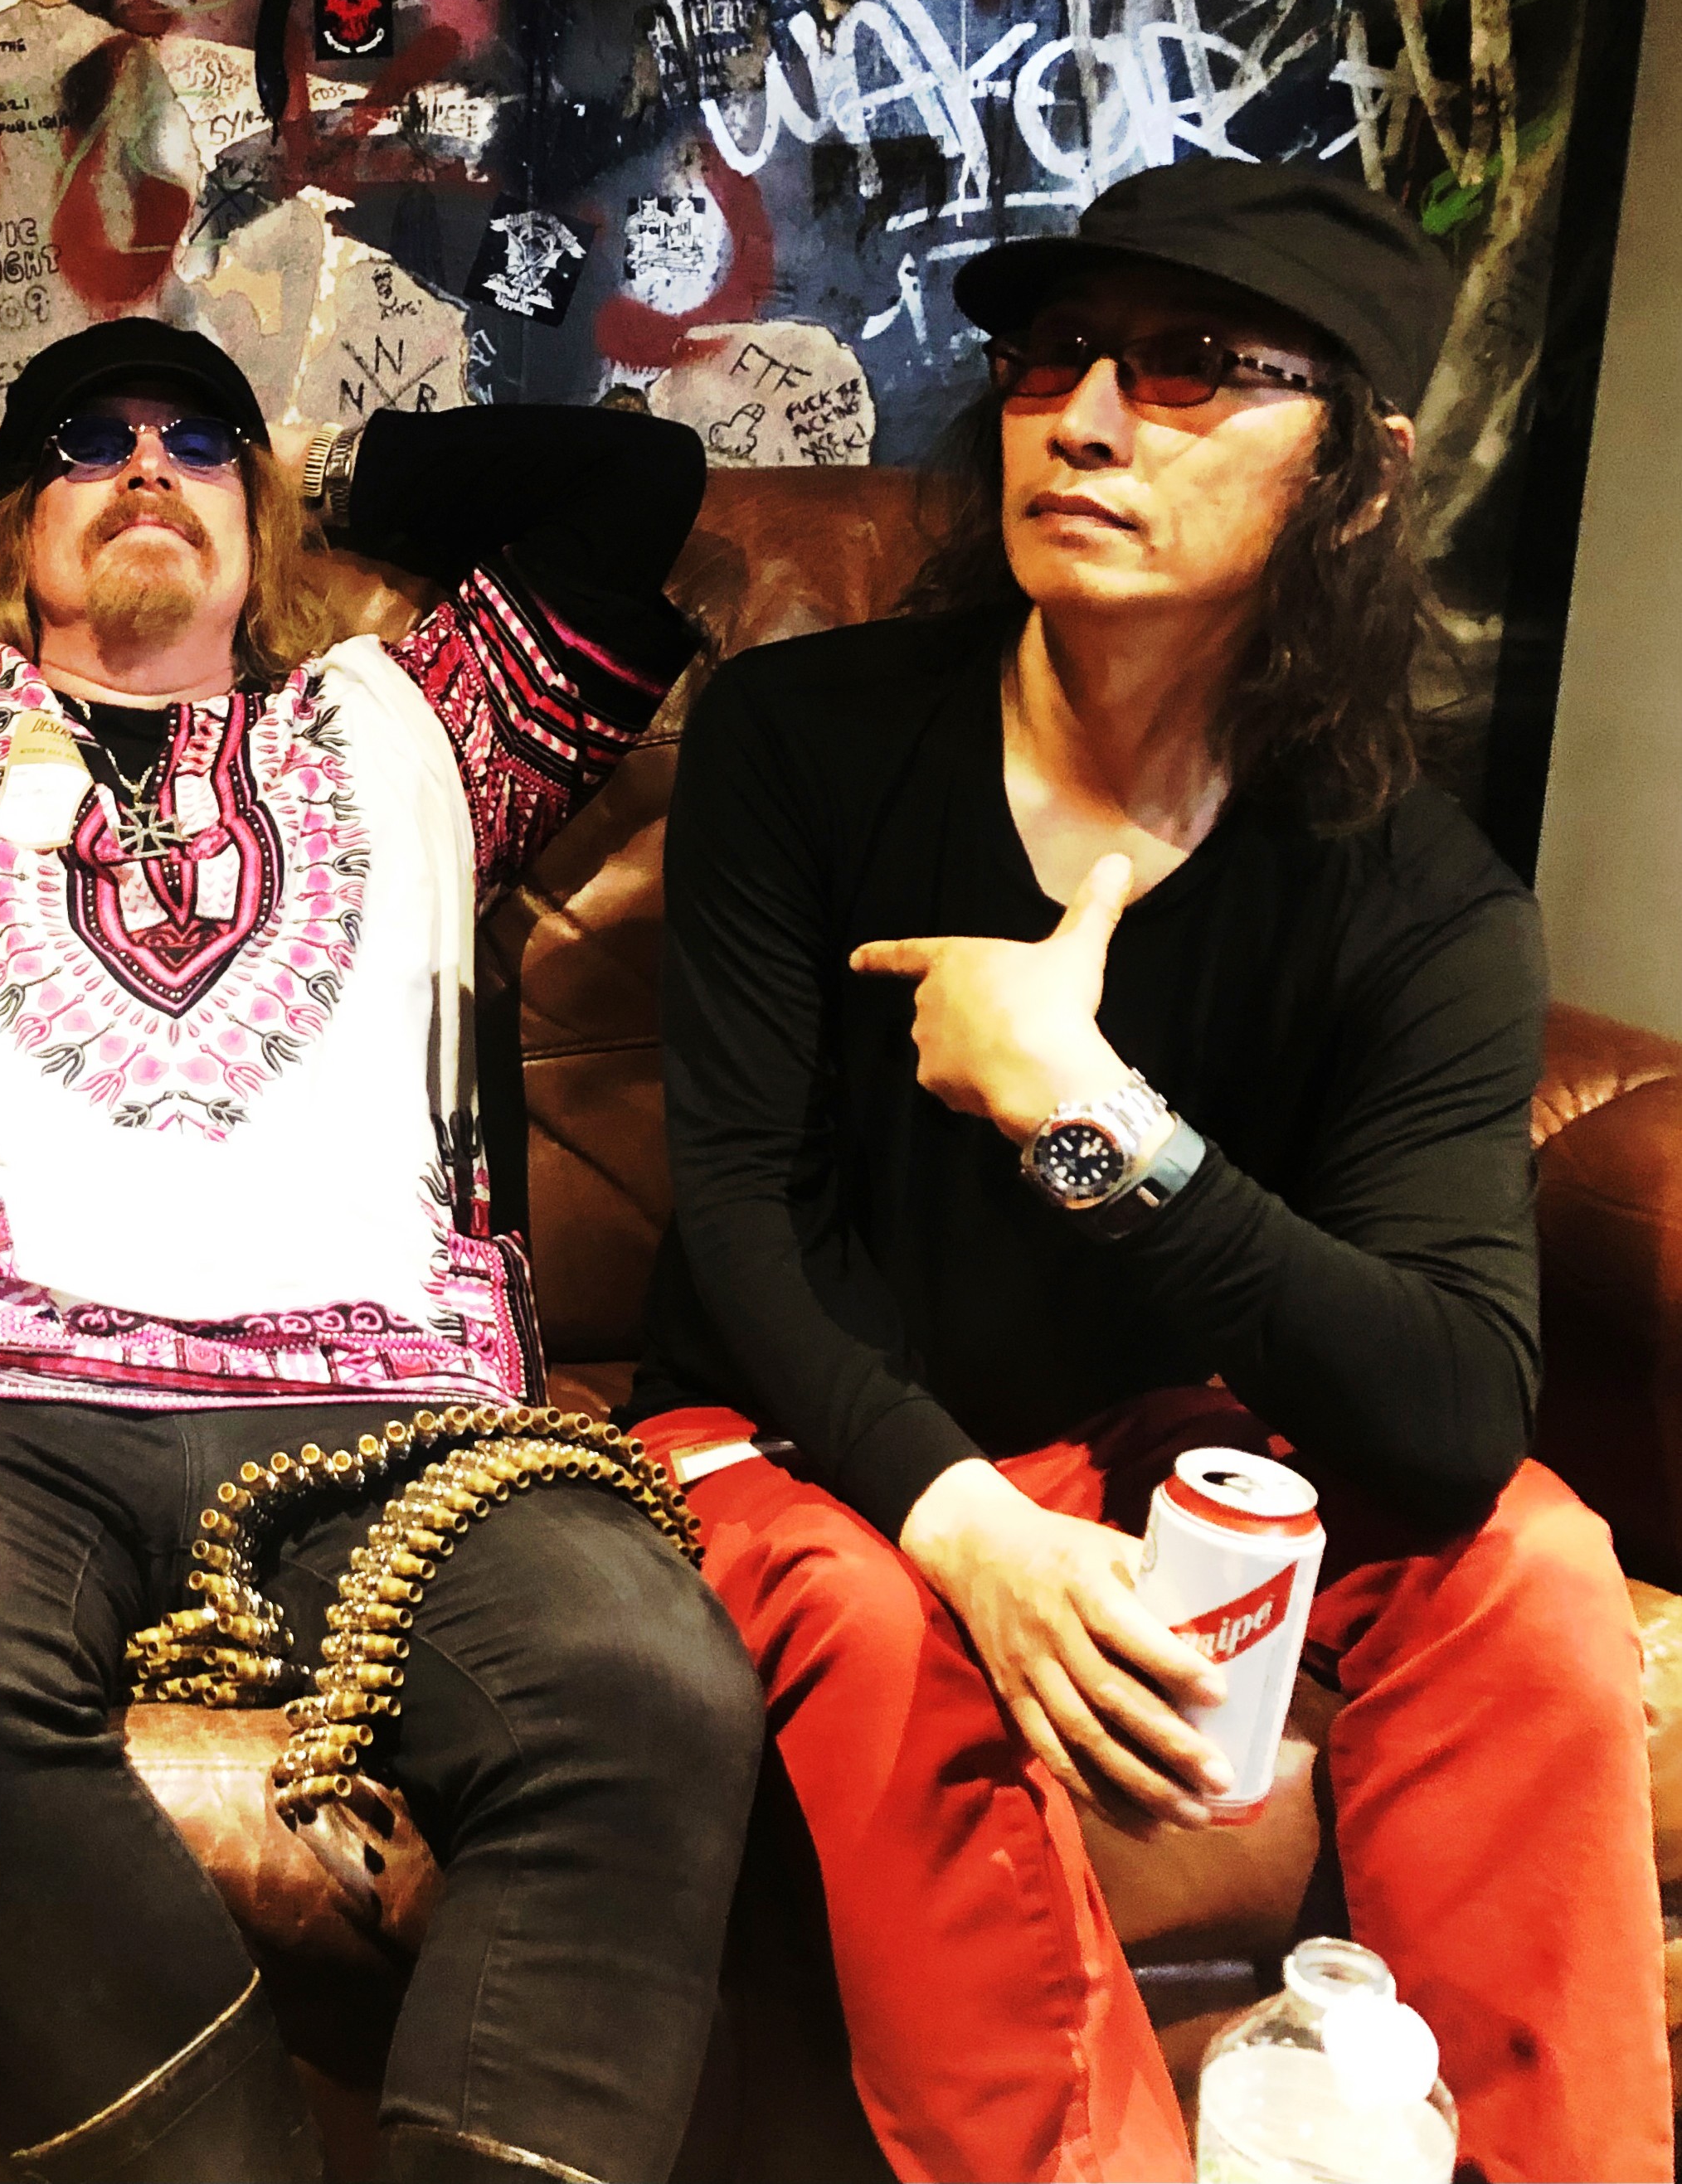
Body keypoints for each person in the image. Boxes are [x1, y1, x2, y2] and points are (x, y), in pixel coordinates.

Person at [0, 320, 764, 2184]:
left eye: (197, 443)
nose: (145, 466)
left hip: (392, 1401)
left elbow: (638, 483)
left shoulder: (424, 720)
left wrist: (321, 471)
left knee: (649, 1691)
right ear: (9, 526)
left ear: (264, 520)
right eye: (89, 443)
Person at [634, 155, 1670, 2182]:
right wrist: (961, 1525)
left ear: (1356, 475)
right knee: (879, 1631)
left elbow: (1454, 1415)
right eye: (1054, 356)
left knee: (1534, 1574)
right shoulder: (795, 734)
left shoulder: (1419, 898)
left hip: (1157, 1441)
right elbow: (742, 1216)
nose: (1088, 418)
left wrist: (1091, 1118)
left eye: (1193, 365)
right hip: (801, 1429)